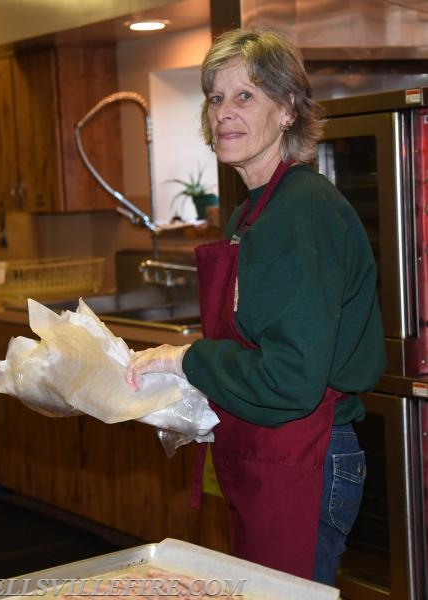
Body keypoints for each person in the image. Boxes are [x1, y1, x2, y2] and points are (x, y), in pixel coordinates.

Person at [125, 28, 386, 586]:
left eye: (246, 96)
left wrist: (188, 361)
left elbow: (288, 379)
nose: (224, 112)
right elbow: (256, 345)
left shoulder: (299, 213)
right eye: (216, 98)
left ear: (288, 109)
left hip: (305, 459)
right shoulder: (253, 214)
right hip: (270, 456)